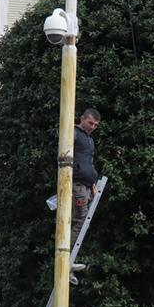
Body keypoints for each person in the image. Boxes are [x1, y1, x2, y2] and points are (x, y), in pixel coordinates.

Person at [68, 108, 101, 283]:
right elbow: (65, 153)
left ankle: (69, 259)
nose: (93, 127)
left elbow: (88, 161)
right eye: (90, 123)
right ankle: (66, 259)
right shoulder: (73, 132)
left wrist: (93, 182)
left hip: (87, 185)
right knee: (79, 219)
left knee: (82, 220)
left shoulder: (89, 140)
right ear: (82, 119)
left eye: (96, 125)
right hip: (77, 183)